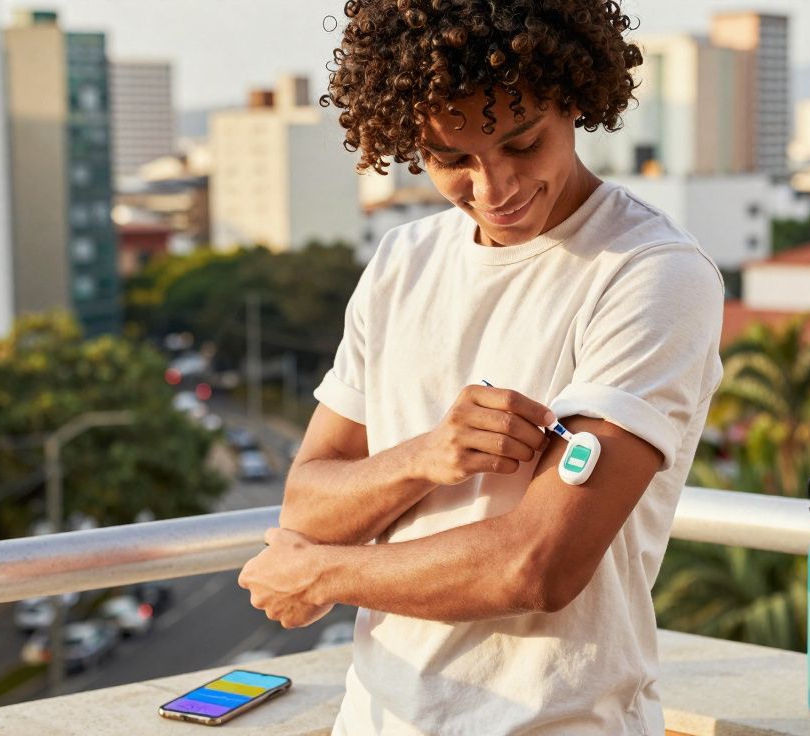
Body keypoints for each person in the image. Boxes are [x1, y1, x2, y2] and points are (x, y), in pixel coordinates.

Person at [238, 1, 725, 733]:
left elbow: (539, 564)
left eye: (522, 143)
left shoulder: (651, 274)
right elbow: (307, 507)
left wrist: (320, 574)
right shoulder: (403, 261)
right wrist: (425, 457)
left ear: (574, 99)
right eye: (452, 160)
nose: (495, 190)